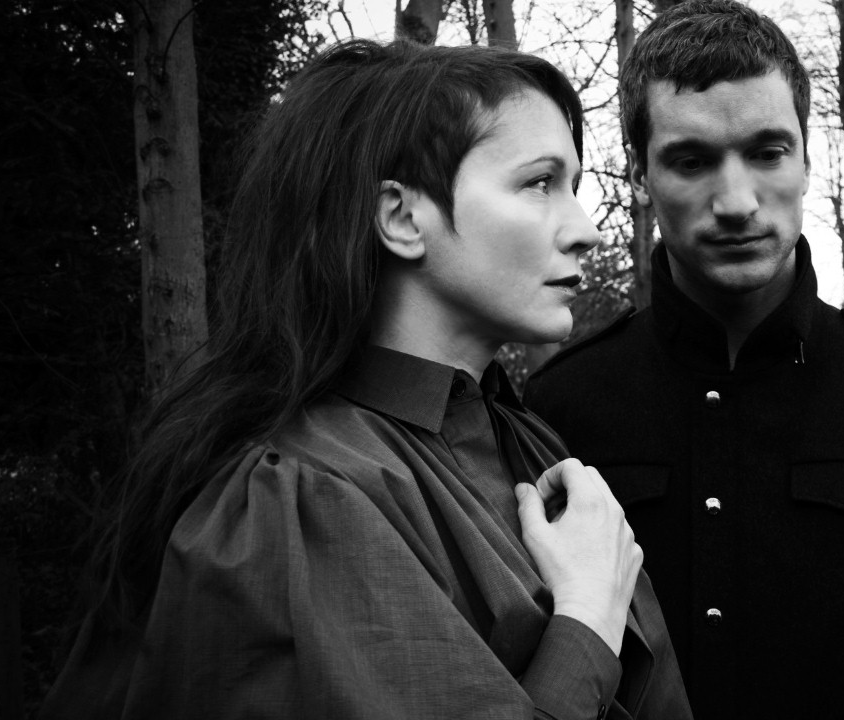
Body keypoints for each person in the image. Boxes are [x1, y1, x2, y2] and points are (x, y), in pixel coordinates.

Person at [41, 39, 690, 720]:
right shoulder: (294, 501)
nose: (586, 230)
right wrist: (586, 622)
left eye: (574, 188)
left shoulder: (533, 445)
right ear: (402, 218)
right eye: (538, 183)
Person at [524, 2, 844, 718]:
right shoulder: (560, 406)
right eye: (692, 160)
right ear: (640, 174)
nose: (737, 202)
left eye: (767, 153)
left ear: (805, 160)